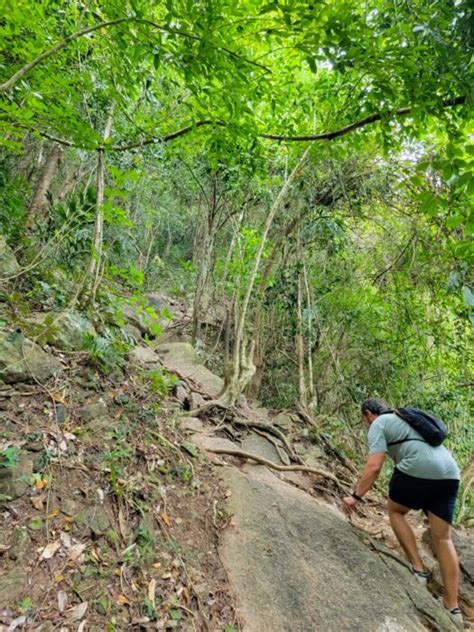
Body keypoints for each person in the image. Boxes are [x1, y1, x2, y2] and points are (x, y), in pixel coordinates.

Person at [342, 398, 463, 628]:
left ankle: (418, 569)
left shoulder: (379, 424)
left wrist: (355, 496)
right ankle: (452, 607)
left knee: (396, 510)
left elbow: (374, 466)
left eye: (364, 420)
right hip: (449, 472)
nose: (366, 425)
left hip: (418, 466)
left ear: (368, 414)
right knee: (443, 537)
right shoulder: (407, 419)